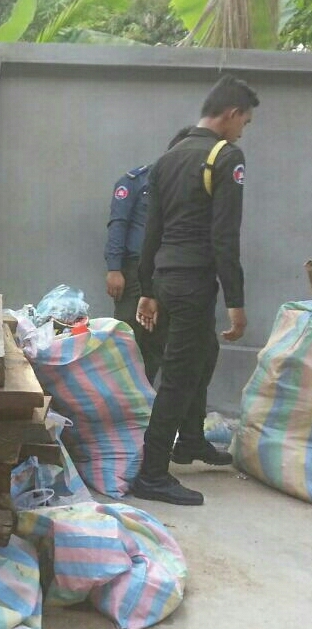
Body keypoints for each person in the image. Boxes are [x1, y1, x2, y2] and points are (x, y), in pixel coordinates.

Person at [131, 75, 258, 506]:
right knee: (180, 374)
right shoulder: (226, 156)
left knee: (204, 353)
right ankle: (152, 474)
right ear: (232, 114)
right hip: (192, 283)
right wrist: (236, 301)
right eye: (245, 121)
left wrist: (148, 288)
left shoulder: (168, 158)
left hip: (167, 279)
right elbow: (225, 236)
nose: (243, 131)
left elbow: (152, 231)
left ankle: (190, 441)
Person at [105, 163, 167, 384]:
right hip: (134, 271)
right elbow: (118, 224)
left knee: (156, 339)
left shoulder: (176, 183)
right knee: (127, 335)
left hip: (165, 272)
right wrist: (114, 268)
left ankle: (144, 393)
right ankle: (120, 393)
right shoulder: (135, 181)